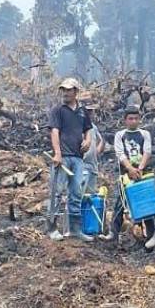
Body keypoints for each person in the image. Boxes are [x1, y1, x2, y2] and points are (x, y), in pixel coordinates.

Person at [47, 77, 93, 242]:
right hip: (63, 157)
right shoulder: (57, 110)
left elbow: (88, 129)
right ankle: (51, 228)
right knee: (57, 192)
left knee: (76, 193)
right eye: (63, 90)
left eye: (69, 90)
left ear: (76, 92)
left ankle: (75, 230)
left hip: (78, 158)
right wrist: (57, 153)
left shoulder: (82, 111)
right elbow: (54, 132)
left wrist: (88, 141)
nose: (66, 93)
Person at [112, 108, 155, 249]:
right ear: (125, 120)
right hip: (126, 172)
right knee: (121, 204)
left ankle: (151, 237)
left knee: (146, 204)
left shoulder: (144, 134)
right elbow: (120, 153)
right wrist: (130, 169)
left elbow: (147, 151)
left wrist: (140, 168)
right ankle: (113, 235)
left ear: (139, 119)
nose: (133, 121)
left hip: (143, 172)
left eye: (136, 118)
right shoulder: (120, 135)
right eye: (130, 118)